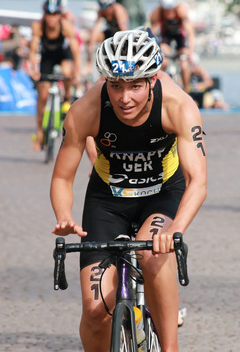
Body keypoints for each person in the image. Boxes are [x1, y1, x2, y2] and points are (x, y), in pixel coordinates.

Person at [50, 29, 207, 352]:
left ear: (153, 79)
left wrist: (176, 229)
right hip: (107, 200)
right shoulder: (86, 109)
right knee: (95, 313)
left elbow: (198, 181)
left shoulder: (178, 105)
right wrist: (64, 215)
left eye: (135, 86)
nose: (125, 98)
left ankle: (170, 348)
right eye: (116, 86)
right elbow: (63, 178)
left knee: (152, 255)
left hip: (162, 193)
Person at [29, 0, 81, 151]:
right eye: (48, 14)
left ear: (60, 15)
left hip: (63, 54)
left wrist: (76, 72)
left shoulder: (66, 26)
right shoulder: (38, 26)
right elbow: (33, 51)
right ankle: (40, 134)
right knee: (42, 95)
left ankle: (66, 98)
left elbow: (76, 52)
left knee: (66, 71)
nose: (52, 18)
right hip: (47, 57)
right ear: (44, 14)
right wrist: (34, 69)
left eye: (55, 15)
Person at [150, 0, 195, 92]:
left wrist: (190, 51)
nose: (169, 13)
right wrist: (158, 48)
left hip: (180, 37)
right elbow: (151, 32)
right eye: (166, 10)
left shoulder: (181, 11)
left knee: (184, 65)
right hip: (166, 36)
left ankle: (186, 91)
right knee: (163, 62)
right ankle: (159, 88)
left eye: (171, 10)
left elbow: (190, 33)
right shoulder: (157, 12)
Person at [86, 0, 129, 73]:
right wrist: (91, 43)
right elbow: (95, 30)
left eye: (109, 8)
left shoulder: (118, 10)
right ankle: (89, 66)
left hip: (121, 33)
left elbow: (124, 31)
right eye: (105, 8)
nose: (107, 11)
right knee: (89, 40)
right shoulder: (101, 11)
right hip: (111, 32)